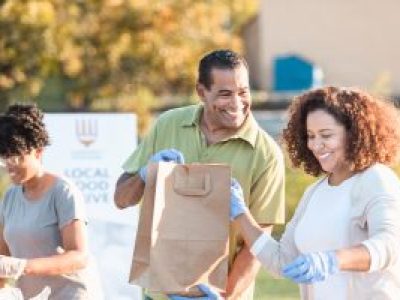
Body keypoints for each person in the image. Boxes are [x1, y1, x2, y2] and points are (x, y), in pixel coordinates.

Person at [114, 49, 285, 299]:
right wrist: (144, 174)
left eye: (243, 92)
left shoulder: (266, 154)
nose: (237, 103)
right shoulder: (168, 124)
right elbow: (121, 199)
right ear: (201, 92)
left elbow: (256, 247)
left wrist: (223, 298)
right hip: (160, 292)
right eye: (225, 94)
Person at [230, 86, 400, 299]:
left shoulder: (376, 179)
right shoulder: (314, 193)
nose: (316, 145)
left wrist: (332, 260)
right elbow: (282, 261)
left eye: (326, 135)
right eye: (310, 135)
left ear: (354, 134)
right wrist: (240, 213)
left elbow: (390, 245)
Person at [0, 103, 103, 300]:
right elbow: (2, 262)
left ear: (38, 152)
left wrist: (23, 266)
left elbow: (79, 256)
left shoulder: (63, 192)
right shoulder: (10, 198)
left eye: (17, 157)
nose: (10, 166)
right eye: (5, 158)